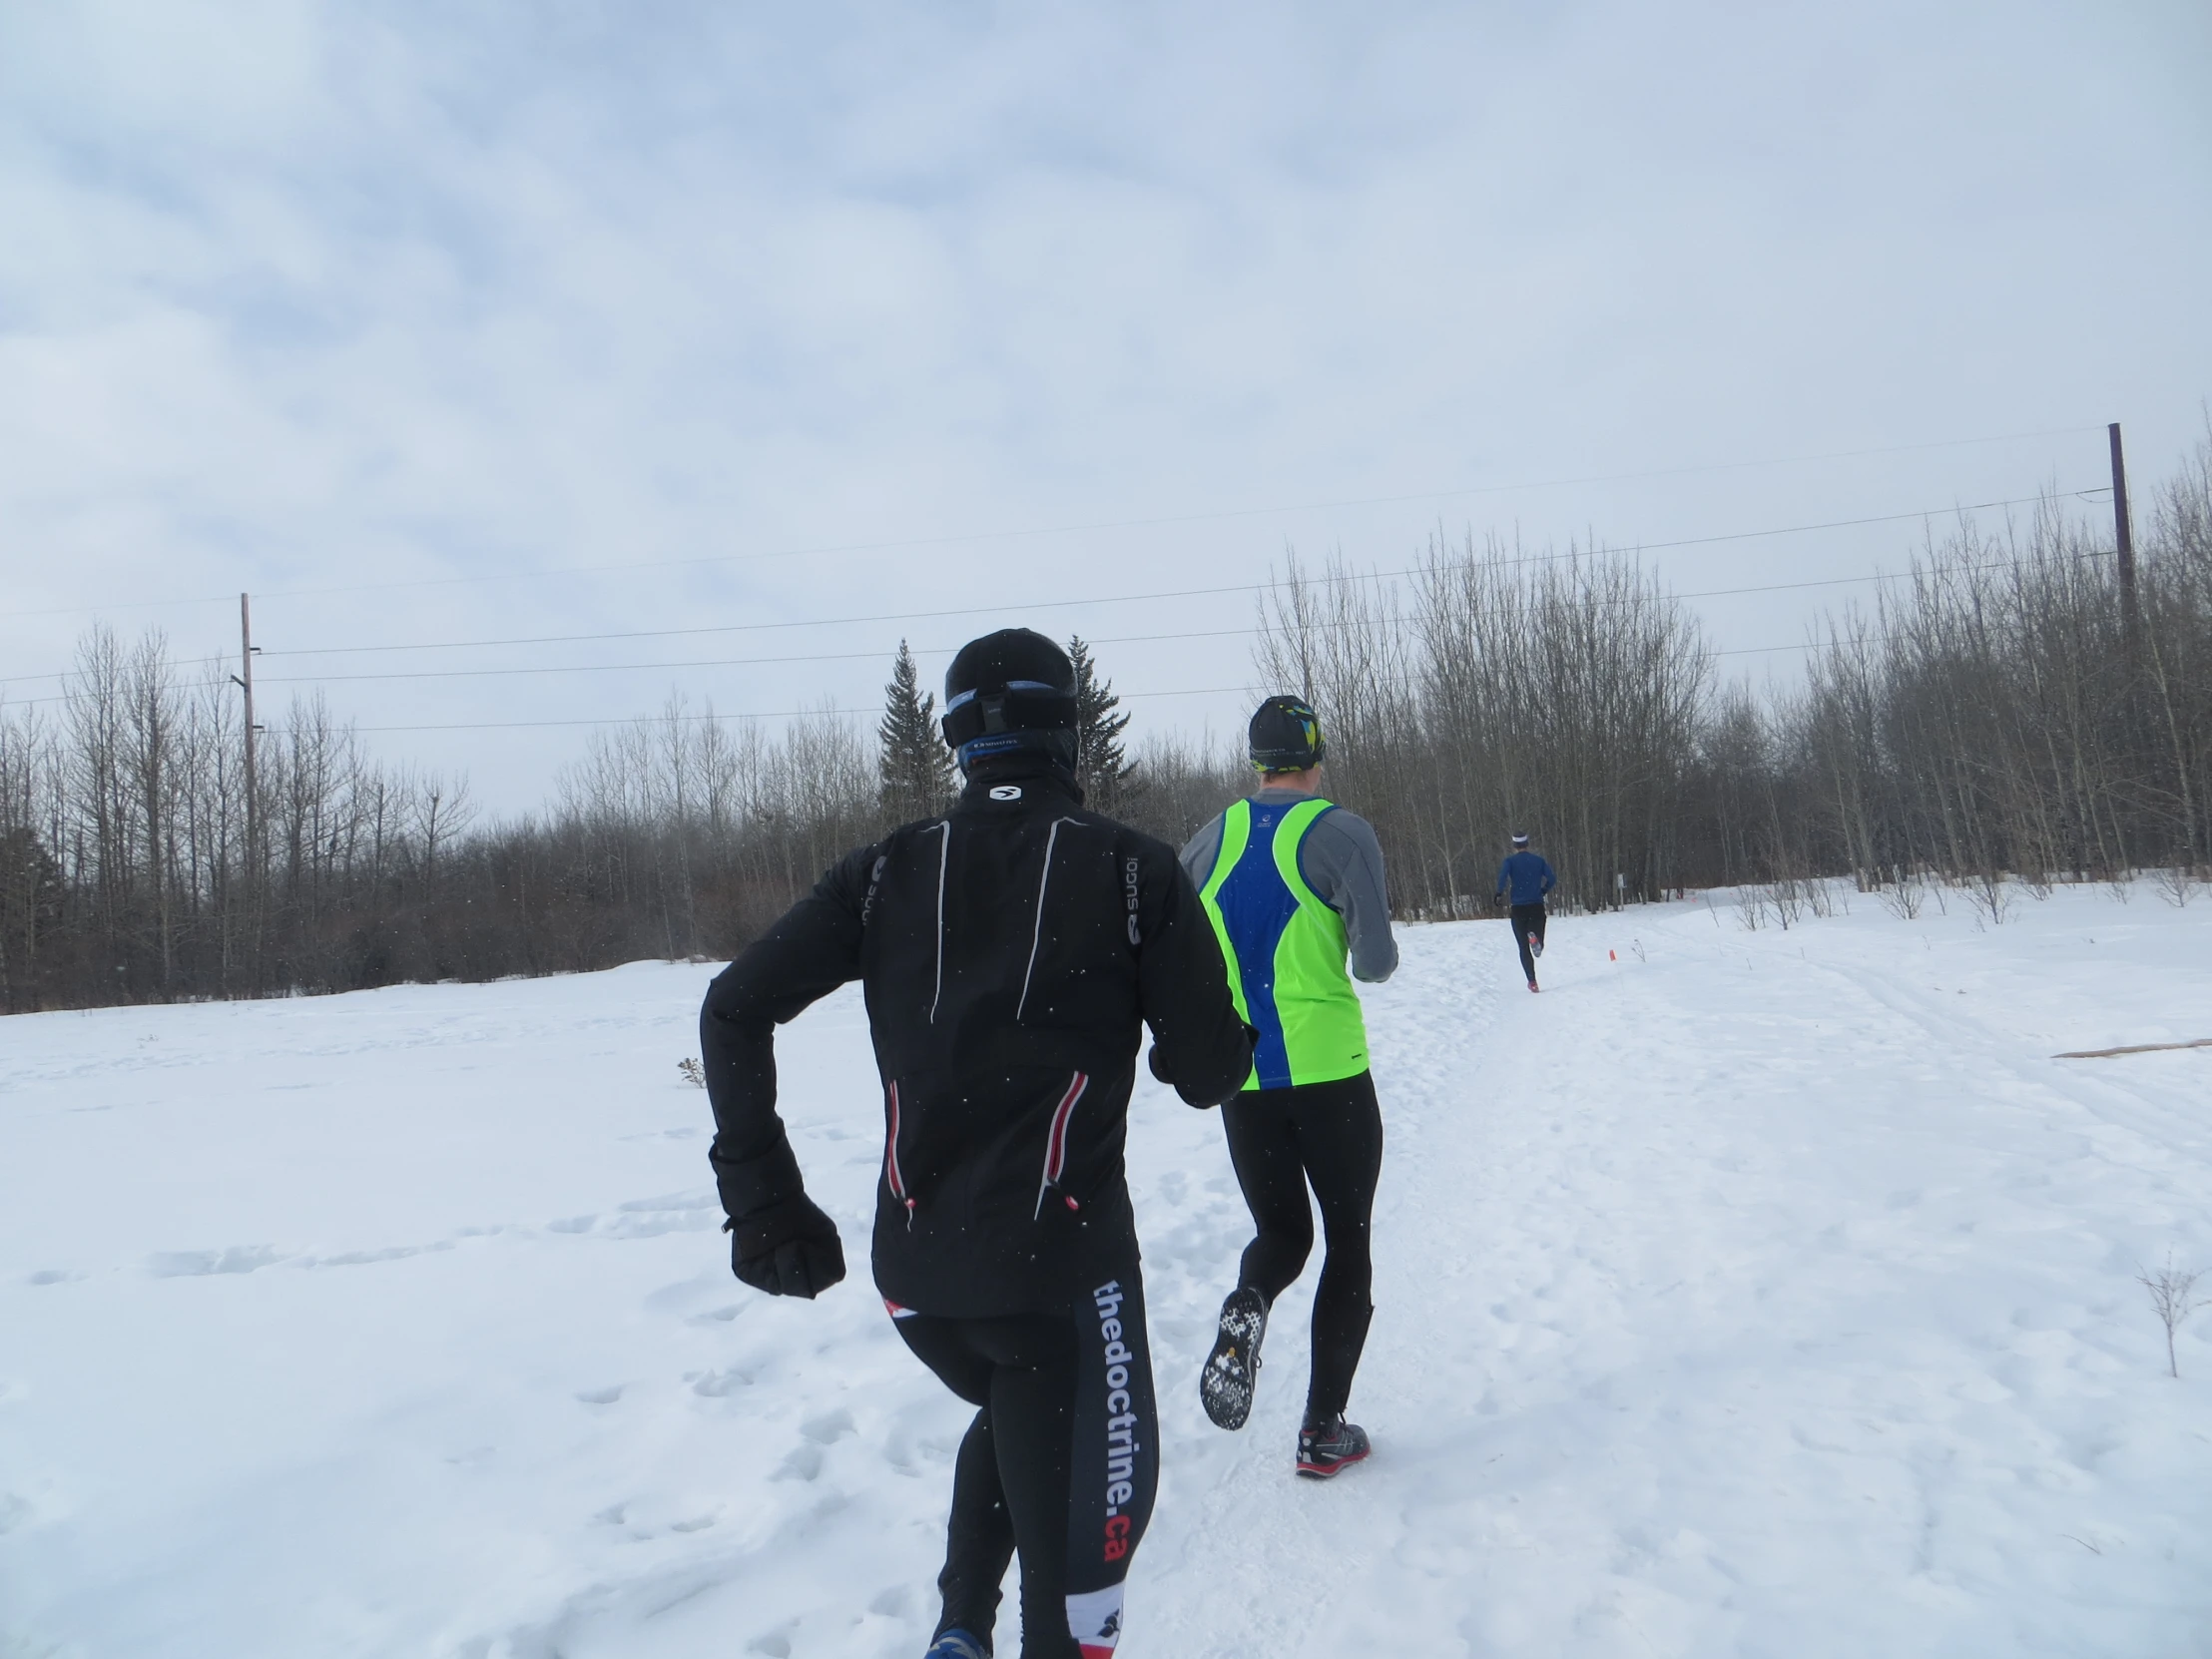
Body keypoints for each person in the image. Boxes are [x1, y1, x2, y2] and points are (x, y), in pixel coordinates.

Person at [699, 629, 1253, 1659]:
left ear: (957, 741)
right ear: (1069, 734)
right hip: (1062, 1279)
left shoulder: (880, 872)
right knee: (1084, 1578)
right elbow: (1209, 1075)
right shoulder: (1133, 872)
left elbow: (732, 1009)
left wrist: (762, 1200)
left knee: (1017, 1405)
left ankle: (958, 1626)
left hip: (920, 1285)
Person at [1178, 695, 1397, 1479]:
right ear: (1316, 758)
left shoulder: (1205, 842)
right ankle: (1321, 1429)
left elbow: (1180, 965)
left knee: (1282, 1237)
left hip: (1245, 1079)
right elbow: (1375, 963)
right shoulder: (1342, 833)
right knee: (1347, 1241)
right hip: (1331, 1073)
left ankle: (1248, 1304)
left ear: (1254, 762)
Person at [1493, 831, 1556, 992]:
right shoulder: (1538, 861)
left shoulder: (1510, 861)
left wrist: (1499, 893)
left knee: (1523, 947)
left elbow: (1502, 877)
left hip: (1518, 908)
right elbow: (1552, 878)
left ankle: (1532, 981)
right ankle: (1537, 941)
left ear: (1515, 846)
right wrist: (1542, 891)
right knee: (1537, 937)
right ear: (1527, 844)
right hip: (1536, 905)